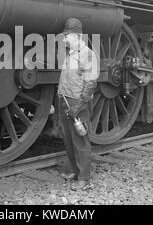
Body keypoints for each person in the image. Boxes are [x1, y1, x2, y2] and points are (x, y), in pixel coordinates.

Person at [57, 18, 99, 191]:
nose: (64, 39)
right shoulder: (71, 53)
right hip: (65, 100)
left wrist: (79, 105)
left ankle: (84, 178)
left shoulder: (87, 54)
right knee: (68, 140)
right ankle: (75, 171)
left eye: (66, 36)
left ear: (75, 36)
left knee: (80, 141)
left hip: (77, 103)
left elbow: (91, 83)